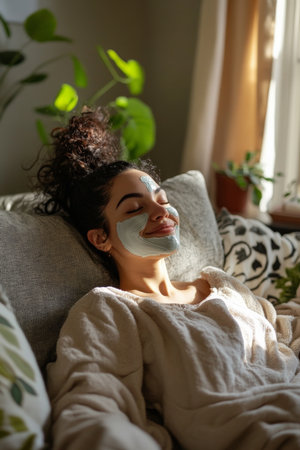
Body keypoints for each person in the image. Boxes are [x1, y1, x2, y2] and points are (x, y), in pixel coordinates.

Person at [38, 107, 300, 450]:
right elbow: (91, 403)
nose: (161, 212)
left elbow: (282, 330)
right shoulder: (111, 310)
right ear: (101, 238)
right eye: (134, 209)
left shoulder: (219, 284)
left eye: (161, 200)